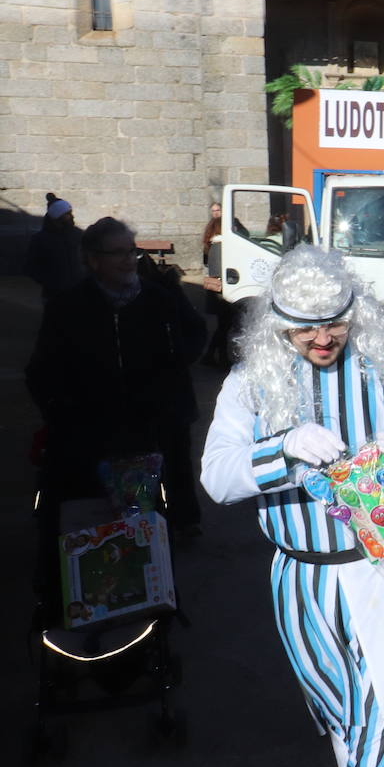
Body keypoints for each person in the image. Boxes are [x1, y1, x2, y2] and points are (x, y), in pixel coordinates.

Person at [200, 245, 384, 767]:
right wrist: (281, 450)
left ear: (355, 310)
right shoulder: (250, 382)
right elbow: (215, 477)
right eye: (304, 326)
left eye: (334, 321)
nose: (322, 337)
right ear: (278, 323)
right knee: (346, 717)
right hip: (300, 579)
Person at [27, 217, 207, 564]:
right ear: (93, 260)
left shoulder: (160, 297)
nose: (129, 261)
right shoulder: (68, 307)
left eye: (132, 252)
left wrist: (175, 363)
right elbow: (41, 371)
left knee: (164, 490)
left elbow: (195, 331)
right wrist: (62, 412)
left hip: (159, 421)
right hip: (95, 428)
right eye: (118, 254)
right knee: (104, 509)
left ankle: (171, 540)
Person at [24, 192, 85, 301]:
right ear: (58, 217)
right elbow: (31, 267)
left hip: (79, 292)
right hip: (54, 295)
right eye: (68, 214)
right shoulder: (40, 239)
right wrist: (50, 282)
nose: (72, 216)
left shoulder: (78, 234)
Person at [200, 202, 237, 368]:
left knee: (223, 326)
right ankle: (219, 358)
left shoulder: (213, 245)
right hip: (222, 291)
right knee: (224, 326)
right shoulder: (221, 246)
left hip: (217, 290)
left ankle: (211, 356)